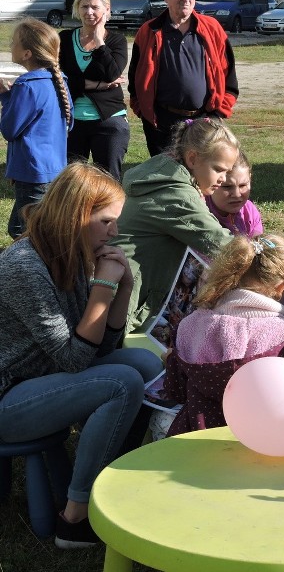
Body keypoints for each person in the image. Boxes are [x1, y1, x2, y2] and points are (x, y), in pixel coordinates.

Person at [0, 163, 163, 548]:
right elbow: (74, 360)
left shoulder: (72, 254)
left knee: (147, 365)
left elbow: (101, 348)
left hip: (44, 380)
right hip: (8, 396)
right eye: (106, 221)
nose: (115, 232)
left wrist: (123, 288)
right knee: (121, 382)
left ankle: (106, 481)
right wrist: (103, 287)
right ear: (75, 216)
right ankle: (76, 518)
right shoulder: (23, 267)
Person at [162, 234, 284, 436]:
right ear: (282, 286)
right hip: (261, 445)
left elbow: (175, 391)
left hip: (194, 440)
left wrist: (170, 361)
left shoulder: (189, 326)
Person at [113, 117, 239, 331]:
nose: (223, 179)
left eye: (228, 171)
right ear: (192, 159)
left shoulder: (166, 174)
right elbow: (222, 244)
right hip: (123, 299)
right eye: (219, 169)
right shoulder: (177, 195)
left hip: (120, 285)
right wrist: (269, 256)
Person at [128, 0, 239, 157]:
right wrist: (145, 114)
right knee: (165, 179)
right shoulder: (148, 31)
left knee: (202, 179)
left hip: (204, 121)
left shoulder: (212, 29)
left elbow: (229, 75)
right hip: (161, 124)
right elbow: (135, 79)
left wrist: (217, 113)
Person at [0, 17, 72, 238]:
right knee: (30, 228)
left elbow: (10, 129)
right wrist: (9, 95)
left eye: (14, 42)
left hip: (33, 173)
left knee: (25, 232)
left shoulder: (27, 85)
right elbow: (68, 122)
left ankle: (41, 268)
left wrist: (5, 97)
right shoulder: (56, 79)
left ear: (27, 53)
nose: (11, 45)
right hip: (52, 169)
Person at [59, 0, 129, 181]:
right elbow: (57, 78)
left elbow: (112, 73)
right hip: (71, 120)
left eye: (95, 7)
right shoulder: (64, 39)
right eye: (84, 6)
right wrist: (93, 85)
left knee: (108, 182)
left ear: (107, 10)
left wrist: (99, 42)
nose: (89, 12)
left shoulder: (116, 41)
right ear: (77, 9)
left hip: (109, 119)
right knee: (70, 182)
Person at [205, 151, 263, 237]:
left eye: (243, 185)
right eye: (227, 187)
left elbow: (257, 246)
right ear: (209, 181)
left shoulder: (250, 213)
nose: (237, 194)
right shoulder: (200, 213)